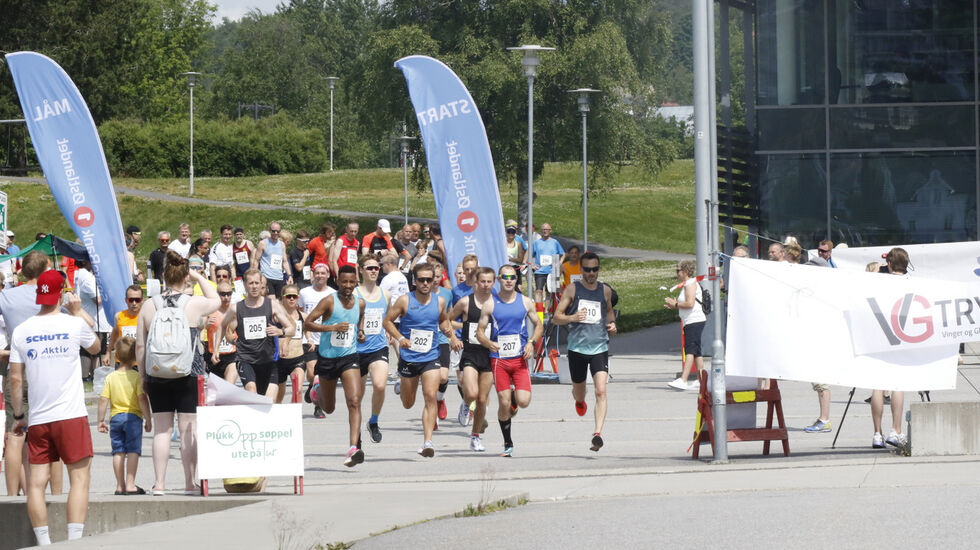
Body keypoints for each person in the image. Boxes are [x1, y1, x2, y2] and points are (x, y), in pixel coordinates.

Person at [9, 270, 99, 545]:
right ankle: (74, 541)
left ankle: (44, 542)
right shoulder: (73, 324)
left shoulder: (22, 330)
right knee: (79, 479)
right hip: (71, 414)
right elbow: (96, 347)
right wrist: (78, 311)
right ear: (61, 294)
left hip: (39, 416)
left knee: (36, 482)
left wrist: (19, 415)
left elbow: (15, 378)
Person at [136, 250, 220, 496]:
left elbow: (140, 345)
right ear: (185, 277)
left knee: (162, 430)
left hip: (157, 373)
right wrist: (198, 276)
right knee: (187, 429)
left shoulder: (149, 305)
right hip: (188, 372)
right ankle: (189, 482)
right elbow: (216, 300)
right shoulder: (193, 304)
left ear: (163, 276)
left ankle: (159, 484)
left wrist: (143, 376)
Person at [2, 252, 68, 497]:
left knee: (14, 434)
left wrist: (5, 351)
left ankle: (11, 496)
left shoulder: (6, 296)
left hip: (16, 366)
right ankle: (56, 494)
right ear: (45, 270)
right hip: (47, 367)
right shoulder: (52, 296)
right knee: (52, 434)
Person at [383, 262, 457, 457]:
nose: (425, 283)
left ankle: (427, 442)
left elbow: (443, 319)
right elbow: (387, 321)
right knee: (408, 403)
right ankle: (402, 384)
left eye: (429, 280)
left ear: (433, 281)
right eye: (421, 280)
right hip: (409, 357)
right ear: (414, 281)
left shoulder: (439, 301)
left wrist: (449, 333)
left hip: (431, 356)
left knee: (430, 396)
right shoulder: (405, 300)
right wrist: (400, 338)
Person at [475, 264, 543, 457]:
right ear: (499, 279)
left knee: (523, 402)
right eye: (505, 277)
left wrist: (531, 342)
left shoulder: (525, 302)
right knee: (503, 404)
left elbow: (538, 325)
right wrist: (488, 342)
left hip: (520, 359)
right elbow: (479, 332)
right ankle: (508, 442)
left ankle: (515, 398)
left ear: (516, 280)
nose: (509, 280)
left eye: (512, 277)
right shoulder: (490, 304)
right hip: (499, 360)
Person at [552, 252, 617, 451]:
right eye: (587, 269)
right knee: (579, 392)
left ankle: (597, 434)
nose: (591, 273)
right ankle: (579, 401)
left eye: (594, 269)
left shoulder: (605, 290)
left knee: (601, 390)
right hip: (577, 349)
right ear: (581, 270)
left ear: (599, 269)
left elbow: (608, 311)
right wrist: (572, 318)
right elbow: (556, 317)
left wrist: (612, 324)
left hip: (599, 348)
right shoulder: (572, 289)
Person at [304, 265, 367, 467]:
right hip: (328, 359)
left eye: (351, 282)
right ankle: (317, 390)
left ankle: (353, 448)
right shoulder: (329, 301)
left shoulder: (360, 303)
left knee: (354, 401)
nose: (348, 285)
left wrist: (360, 332)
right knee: (329, 408)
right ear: (337, 281)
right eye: (344, 281)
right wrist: (332, 327)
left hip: (349, 357)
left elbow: (359, 320)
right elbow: (307, 323)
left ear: (356, 282)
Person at [220, 269, 294, 397]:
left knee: (268, 399)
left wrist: (280, 331)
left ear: (262, 285)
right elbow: (227, 330)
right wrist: (233, 341)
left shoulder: (272, 305)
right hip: (246, 359)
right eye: (251, 283)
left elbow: (291, 328)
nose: (254, 286)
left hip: (268, 359)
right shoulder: (238, 308)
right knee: (252, 390)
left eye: (257, 283)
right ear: (245, 285)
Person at [447, 267, 496, 451]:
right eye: (482, 281)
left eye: (489, 281)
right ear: (475, 283)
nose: (485, 285)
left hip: (489, 355)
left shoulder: (496, 303)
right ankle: (466, 404)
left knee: (482, 400)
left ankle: (475, 437)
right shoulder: (466, 302)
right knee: (472, 393)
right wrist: (454, 337)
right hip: (470, 353)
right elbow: (447, 320)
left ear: (493, 283)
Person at [96, 336, 151, 495]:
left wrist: (100, 420)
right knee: (133, 450)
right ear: (135, 358)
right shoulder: (136, 377)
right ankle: (130, 484)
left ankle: (120, 485)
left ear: (116, 356)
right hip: (133, 418)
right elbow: (142, 399)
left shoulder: (110, 377)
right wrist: (148, 418)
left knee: (118, 451)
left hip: (115, 418)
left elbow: (103, 399)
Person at [871, 248, 910, 450]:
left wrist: (876, 273)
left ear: (890, 264)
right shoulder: (912, 283)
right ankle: (896, 430)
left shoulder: (880, 282)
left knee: (878, 385)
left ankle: (877, 434)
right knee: (897, 383)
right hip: (901, 334)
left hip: (880, 334)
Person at [354, 254, 391, 443]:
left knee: (380, 385)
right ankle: (356, 433)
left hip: (378, 348)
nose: (374, 271)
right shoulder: (354, 294)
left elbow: (388, 319)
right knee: (356, 397)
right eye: (370, 268)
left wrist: (391, 333)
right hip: (356, 350)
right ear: (361, 270)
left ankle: (374, 421)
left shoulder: (386, 294)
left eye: (376, 267)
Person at [299, 263, 336, 418]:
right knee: (312, 373)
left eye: (323, 273)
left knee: (322, 375)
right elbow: (300, 312)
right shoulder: (304, 292)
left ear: (328, 275)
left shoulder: (333, 293)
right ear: (313, 275)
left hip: (327, 340)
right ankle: (311, 386)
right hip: (309, 339)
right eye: (317, 273)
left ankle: (317, 406)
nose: (320, 275)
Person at [665, 260, 705, 391]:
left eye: (678, 270)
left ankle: (684, 379)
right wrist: (675, 305)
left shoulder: (690, 284)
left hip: (694, 320)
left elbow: (690, 303)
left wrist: (675, 304)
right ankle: (701, 380)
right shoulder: (687, 284)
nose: (676, 273)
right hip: (691, 320)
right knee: (696, 351)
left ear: (686, 271)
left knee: (690, 350)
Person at [73, 259, 110, 381]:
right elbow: (97, 299)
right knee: (92, 350)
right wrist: (110, 292)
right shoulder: (86, 277)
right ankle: (86, 376)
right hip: (94, 318)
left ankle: (94, 375)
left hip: (91, 317)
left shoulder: (80, 274)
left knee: (94, 351)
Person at [275, 284, 311, 403]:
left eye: (294, 296)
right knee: (278, 396)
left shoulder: (303, 316)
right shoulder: (276, 316)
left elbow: (307, 329)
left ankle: (293, 413)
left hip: (297, 359)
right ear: (283, 297)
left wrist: (309, 339)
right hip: (280, 360)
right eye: (288, 296)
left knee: (298, 391)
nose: (291, 299)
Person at [206, 281, 239, 384]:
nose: (226, 297)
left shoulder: (235, 310)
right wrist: (205, 324)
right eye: (223, 294)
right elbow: (198, 326)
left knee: (229, 384)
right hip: (214, 355)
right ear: (217, 294)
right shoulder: (210, 310)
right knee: (217, 389)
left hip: (232, 355)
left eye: (229, 294)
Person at [105, 285, 143, 368]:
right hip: (121, 363)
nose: (134, 303)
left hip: (140, 363)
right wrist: (108, 353)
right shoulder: (118, 316)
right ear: (126, 300)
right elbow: (114, 335)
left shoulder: (146, 317)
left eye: (137, 300)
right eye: (131, 300)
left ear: (142, 300)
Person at [252, 222, 292, 298]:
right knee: (271, 300)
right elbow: (256, 260)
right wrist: (255, 275)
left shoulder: (282, 244)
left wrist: (289, 275)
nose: (275, 233)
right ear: (269, 231)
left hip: (279, 277)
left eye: (278, 231)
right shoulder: (263, 243)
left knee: (280, 301)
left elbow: (285, 262)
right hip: (267, 277)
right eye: (273, 231)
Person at [530, 222, 565, 303]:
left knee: (549, 292)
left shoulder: (555, 242)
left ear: (550, 230)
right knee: (538, 291)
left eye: (547, 229)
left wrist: (559, 263)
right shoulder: (536, 243)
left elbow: (563, 254)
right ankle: (539, 309)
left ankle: (547, 310)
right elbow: (529, 255)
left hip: (552, 271)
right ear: (541, 231)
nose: (545, 231)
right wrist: (532, 265)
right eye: (543, 229)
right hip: (540, 271)